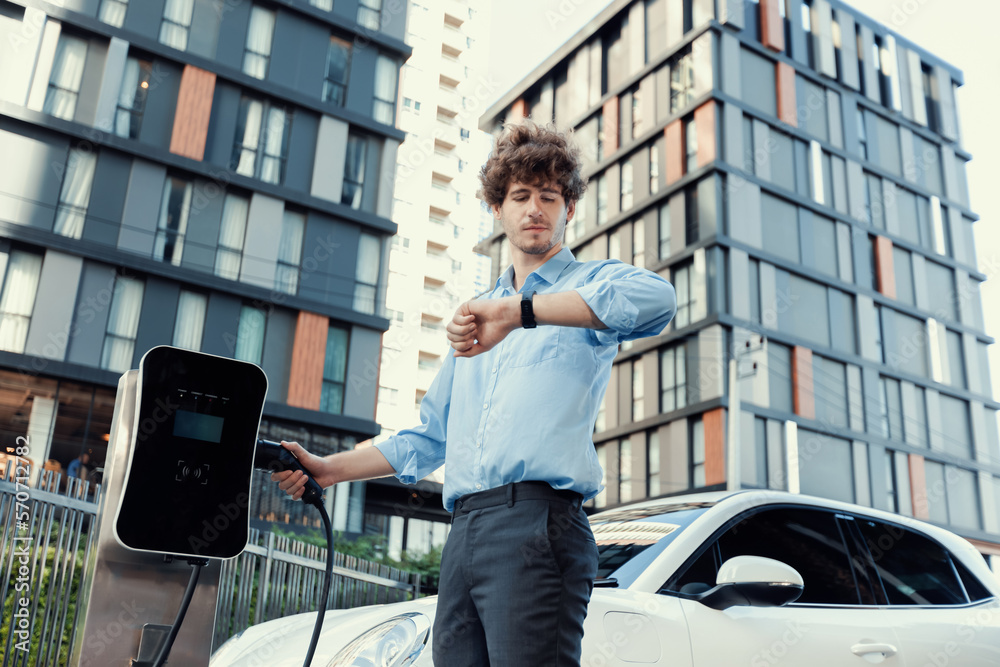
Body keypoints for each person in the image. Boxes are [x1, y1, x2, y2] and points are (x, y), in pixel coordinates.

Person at [273, 120, 675, 666]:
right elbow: (428, 435)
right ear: (498, 210)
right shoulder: (476, 317)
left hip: (538, 523)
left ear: (569, 209)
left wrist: (520, 312)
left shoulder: (586, 287)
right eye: (520, 196)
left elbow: (657, 301)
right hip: (464, 531)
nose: (535, 208)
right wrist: (328, 469)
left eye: (549, 196)